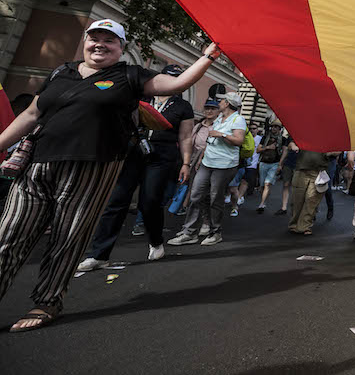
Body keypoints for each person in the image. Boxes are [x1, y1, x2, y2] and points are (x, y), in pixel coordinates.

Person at [0, 19, 218, 331]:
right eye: (94, 38)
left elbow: (177, 84)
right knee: (8, 234)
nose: (99, 44)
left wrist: (208, 56)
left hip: (92, 167)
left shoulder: (130, 75)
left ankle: (47, 301)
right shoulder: (62, 72)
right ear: (85, 41)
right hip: (38, 164)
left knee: (67, 237)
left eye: (109, 40)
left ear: (120, 47)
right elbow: (32, 114)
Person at [77, 64, 196, 271]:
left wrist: (186, 163)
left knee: (149, 202)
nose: (171, 81)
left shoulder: (183, 107)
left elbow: (185, 136)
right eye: (167, 76)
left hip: (162, 156)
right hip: (133, 151)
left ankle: (156, 241)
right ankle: (98, 254)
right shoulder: (142, 96)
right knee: (116, 200)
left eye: (176, 78)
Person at [168, 92, 247, 247]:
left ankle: (215, 232)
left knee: (214, 198)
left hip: (224, 165)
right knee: (196, 195)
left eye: (222, 100)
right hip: (207, 163)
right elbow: (210, 141)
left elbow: (239, 140)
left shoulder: (238, 119)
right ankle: (189, 232)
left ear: (228, 103)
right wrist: (202, 158)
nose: (219, 102)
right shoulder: (219, 118)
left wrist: (221, 134)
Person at [288, 150, 338, 235]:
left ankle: (304, 226)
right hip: (301, 170)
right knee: (297, 200)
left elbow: (338, 151)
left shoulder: (331, 138)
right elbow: (291, 144)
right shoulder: (304, 137)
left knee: (311, 200)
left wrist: (329, 153)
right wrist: (294, 146)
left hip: (318, 172)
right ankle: (294, 224)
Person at [255, 122, 284, 213]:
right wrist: (268, 147)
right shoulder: (265, 138)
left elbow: (284, 152)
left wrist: (280, 165)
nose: (274, 128)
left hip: (274, 164)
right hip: (263, 163)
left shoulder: (283, 139)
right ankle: (264, 198)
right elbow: (258, 150)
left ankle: (262, 204)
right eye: (272, 127)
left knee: (267, 184)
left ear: (280, 129)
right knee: (262, 186)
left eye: (276, 127)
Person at [276, 137, 298, 216]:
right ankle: (284, 207)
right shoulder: (290, 136)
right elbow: (285, 150)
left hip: (299, 165)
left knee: (297, 187)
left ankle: (296, 208)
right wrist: (280, 163)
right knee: (286, 184)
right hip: (288, 163)